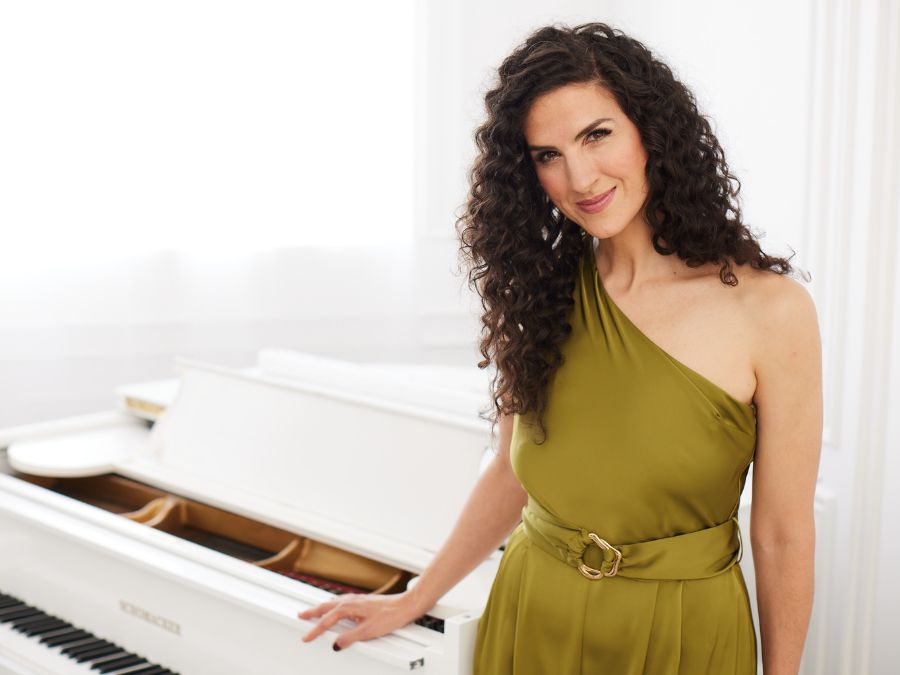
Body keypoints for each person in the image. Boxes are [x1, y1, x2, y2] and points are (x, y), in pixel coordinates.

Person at [299, 21, 822, 675]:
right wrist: (415, 597)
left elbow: (782, 534)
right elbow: (511, 474)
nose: (579, 176)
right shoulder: (540, 289)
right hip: (533, 611)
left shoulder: (771, 311)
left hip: (685, 632)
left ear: (650, 129)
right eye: (547, 154)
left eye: (596, 135)